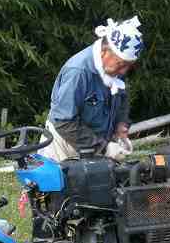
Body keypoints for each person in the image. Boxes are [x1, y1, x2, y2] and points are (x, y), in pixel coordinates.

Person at [40, 16, 144, 162]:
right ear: (104, 51)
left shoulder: (114, 69)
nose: (123, 72)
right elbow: (64, 122)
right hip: (63, 146)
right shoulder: (78, 72)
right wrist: (104, 148)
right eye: (121, 64)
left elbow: (121, 99)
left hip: (94, 146)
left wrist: (121, 125)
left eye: (128, 66)